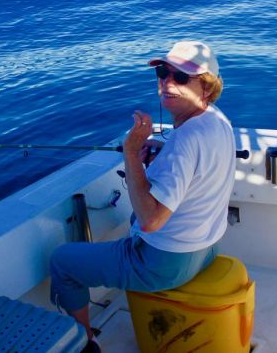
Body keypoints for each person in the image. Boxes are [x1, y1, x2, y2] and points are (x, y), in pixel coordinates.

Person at [49, 40, 236, 353]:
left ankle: (85, 343)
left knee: (62, 262)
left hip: (167, 263)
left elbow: (151, 221)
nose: (166, 82)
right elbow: (196, 166)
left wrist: (132, 152)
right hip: (208, 248)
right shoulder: (217, 120)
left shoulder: (186, 141)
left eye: (180, 78)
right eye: (163, 72)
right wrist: (162, 153)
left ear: (206, 87)